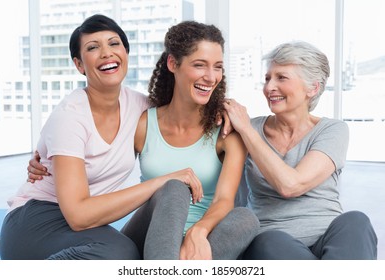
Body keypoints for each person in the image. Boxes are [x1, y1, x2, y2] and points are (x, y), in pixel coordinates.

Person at [19, 20, 259, 260]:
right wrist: (44, 158)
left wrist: (198, 231)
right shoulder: (144, 121)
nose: (210, 76)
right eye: (199, 65)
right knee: (174, 188)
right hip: (152, 236)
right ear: (173, 64)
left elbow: (225, 199)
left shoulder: (226, 128)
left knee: (246, 219)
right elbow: (86, 140)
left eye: (217, 67)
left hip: (202, 239)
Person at [224, 41, 378, 260]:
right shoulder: (248, 129)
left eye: (281, 78)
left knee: (356, 222)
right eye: (268, 78)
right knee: (270, 240)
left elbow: (291, 185)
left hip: (328, 239)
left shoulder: (332, 130)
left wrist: (247, 131)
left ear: (312, 88)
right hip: (273, 244)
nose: (269, 87)